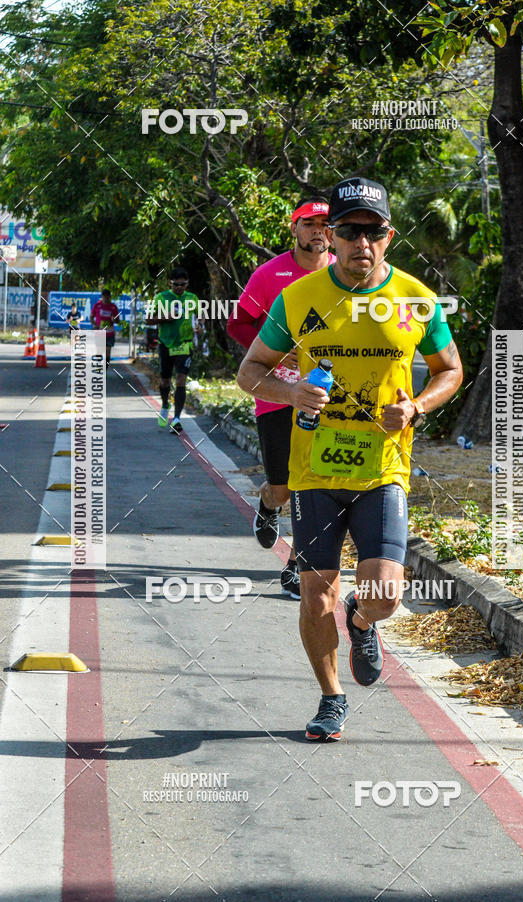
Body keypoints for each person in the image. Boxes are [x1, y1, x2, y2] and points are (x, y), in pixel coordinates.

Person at [238, 177, 463, 741]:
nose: (362, 242)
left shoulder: (415, 299)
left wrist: (415, 406)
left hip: (382, 469)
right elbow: (250, 371)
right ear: (330, 238)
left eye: (374, 232)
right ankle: (331, 698)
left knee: (386, 594)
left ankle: (362, 622)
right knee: (315, 593)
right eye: (349, 231)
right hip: (313, 470)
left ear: (389, 237)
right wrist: (289, 393)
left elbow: (450, 371)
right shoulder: (298, 298)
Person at [227, 197, 334, 601]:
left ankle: (298, 565)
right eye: (310, 224)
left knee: (316, 481)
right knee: (284, 485)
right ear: (294, 229)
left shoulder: (343, 275)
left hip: (323, 398)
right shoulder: (271, 274)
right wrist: (272, 351)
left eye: (325, 224)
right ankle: (268, 503)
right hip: (276, 395)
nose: (319, 232)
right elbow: (238, 323)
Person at [145, 266, 200, 433]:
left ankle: (176, 419)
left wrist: (199, 324)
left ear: (187, 283)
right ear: (171, 283)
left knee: (181, 379)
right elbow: (148, 319)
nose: (179, 288)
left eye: (182, 285)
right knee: (165, 381)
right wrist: (164, 318)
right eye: (176, 285)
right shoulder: (161, 298)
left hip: (185, 344)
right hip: (166, 344)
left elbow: (200, 316)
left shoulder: (192, 298)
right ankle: (165, 404)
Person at [90, 289, 120, 366]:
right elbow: (91, 316)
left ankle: (104, 370)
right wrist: (94, 324)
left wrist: (115, 319)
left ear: (110, 297)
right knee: (99, 352)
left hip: (109, 333)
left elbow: (118, 320)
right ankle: (98, 368)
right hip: (100, 333)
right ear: (102, 297)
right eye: (104, 297)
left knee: (107, 353)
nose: (106, 299)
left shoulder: (113, 307)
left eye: (108, 297)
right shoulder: (97, 305)